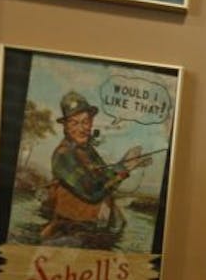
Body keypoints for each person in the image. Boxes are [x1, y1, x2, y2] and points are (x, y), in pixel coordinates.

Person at [40, 89, 145, 243]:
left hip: (95, 229)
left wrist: (124, 164)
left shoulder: (88, 150)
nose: (82, 128)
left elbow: (104, 176)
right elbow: (92, 192)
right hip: (72, 232)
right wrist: (123, 169)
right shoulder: (63, 155)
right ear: (65, 127)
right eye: (74, 123)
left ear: (91, 123)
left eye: (85, 121)